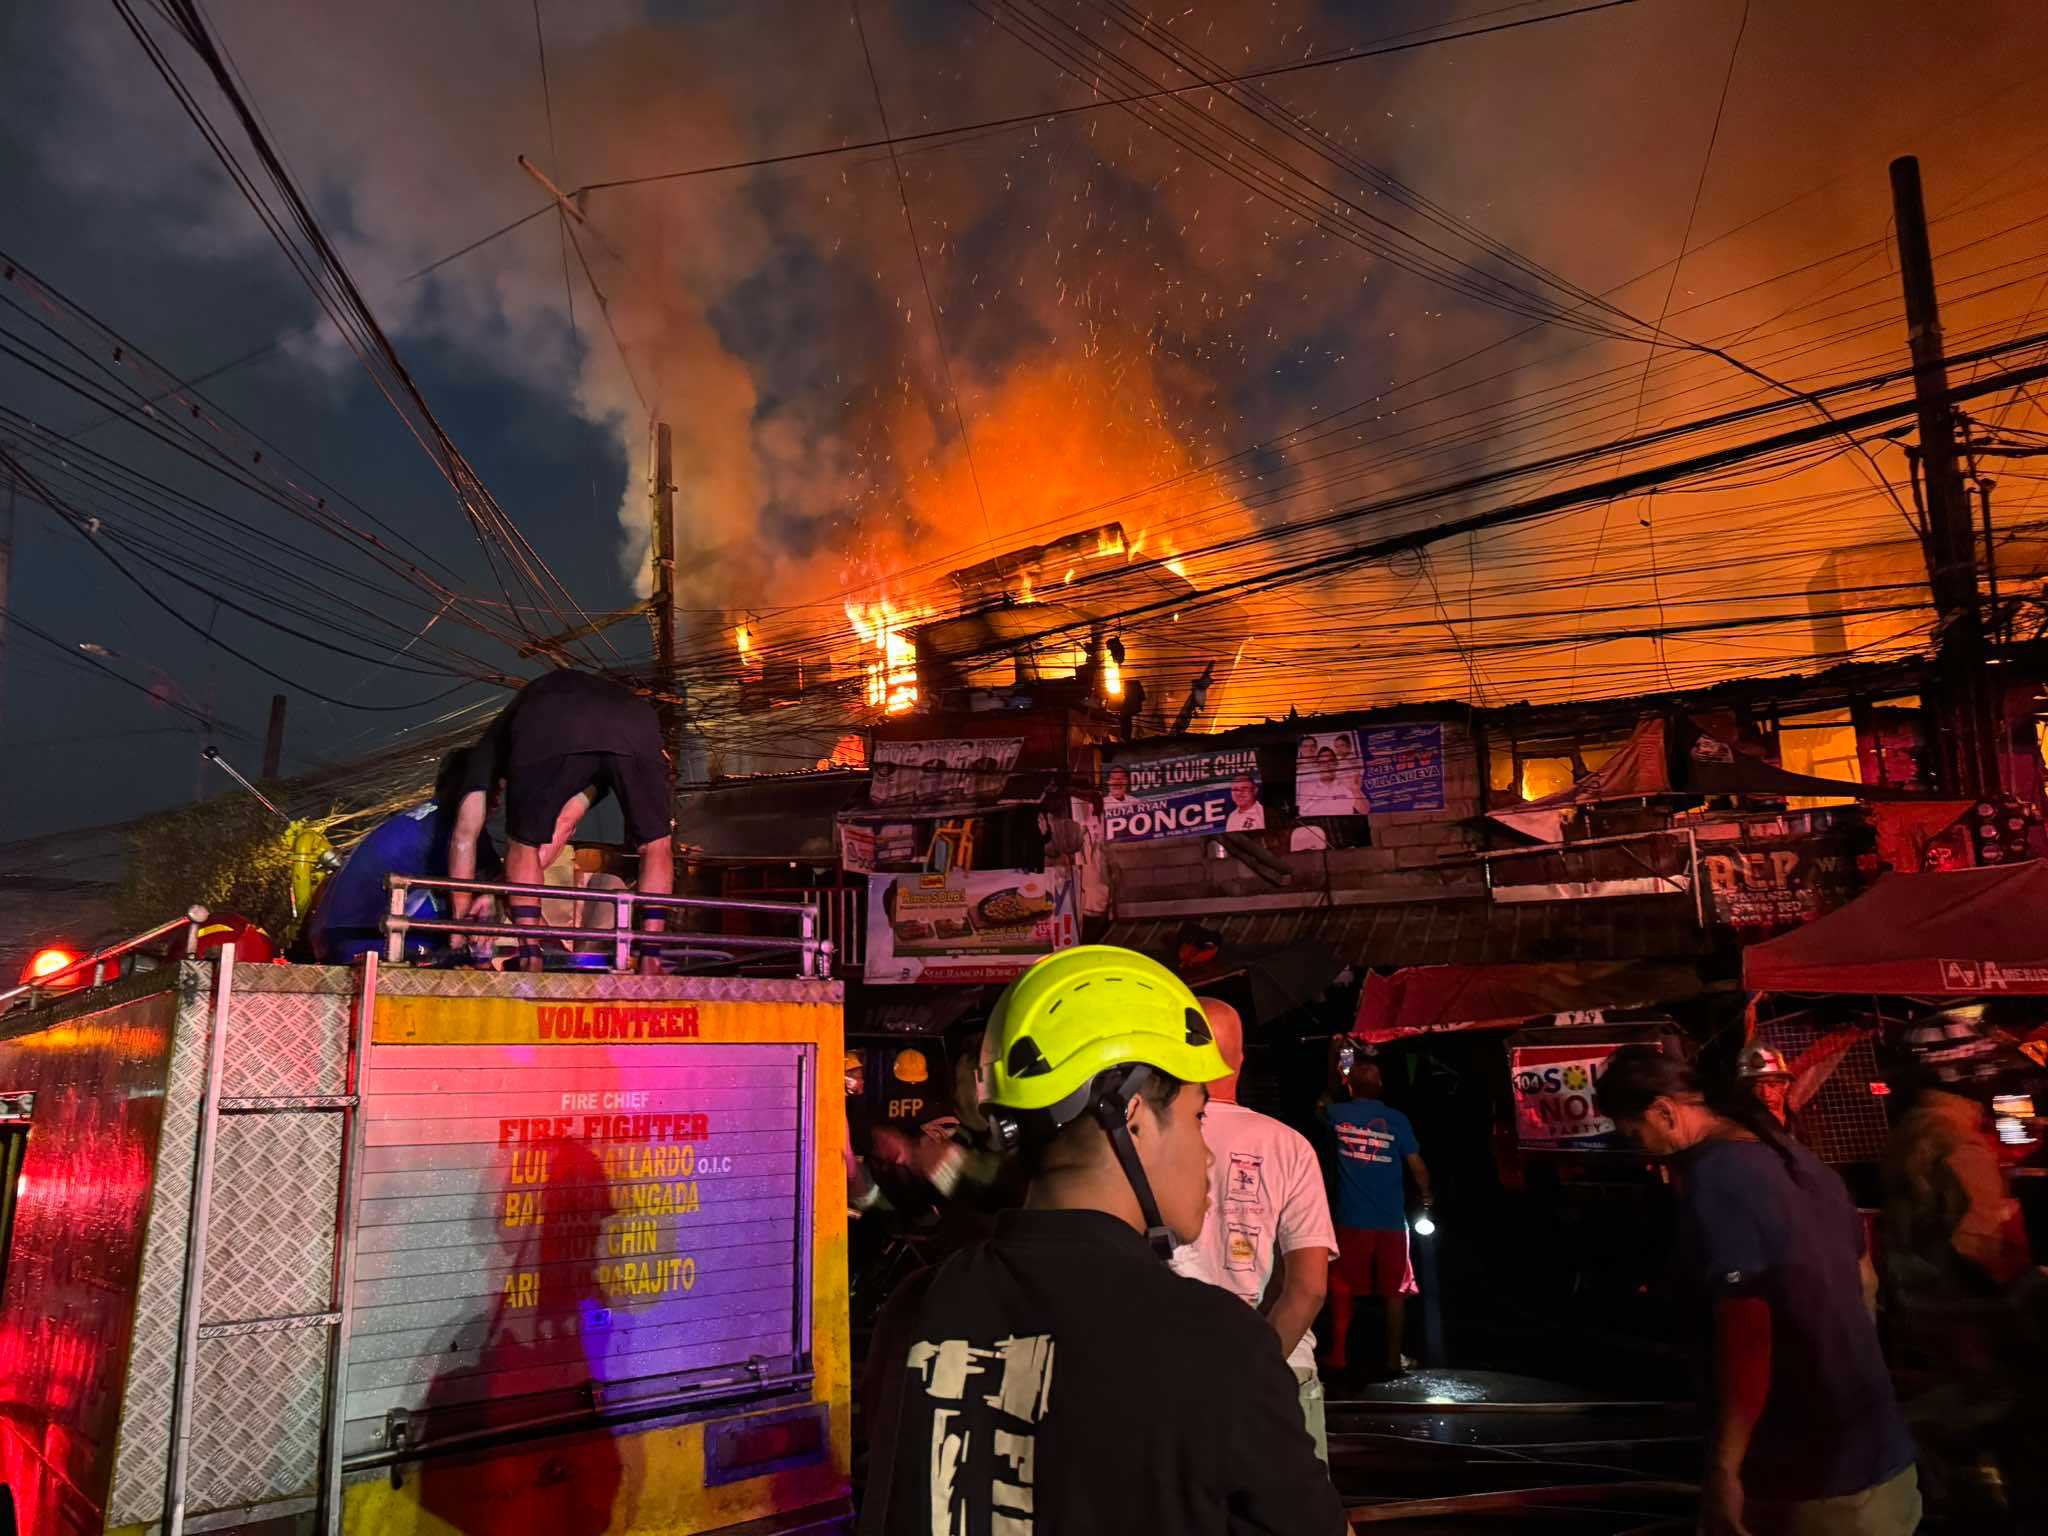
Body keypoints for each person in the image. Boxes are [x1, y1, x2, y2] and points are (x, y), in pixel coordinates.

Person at [860, 946, 1348, 1535]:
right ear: (1134, 1117)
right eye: (1197, 1117)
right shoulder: (1217, 1342)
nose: (1209, 1154)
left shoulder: (912, 1312)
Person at [1596, 1045, 1919, 1536]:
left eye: (1635, 1132)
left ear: (1664, 1111)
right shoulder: (1796, 1159)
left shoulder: (1718, 1179)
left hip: (1808, 1475)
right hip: (1880, 1453)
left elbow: (1747, 1329)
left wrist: (1725, 1469)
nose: (1638, 1147)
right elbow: (1864, 1281)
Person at [1170, 997, 1339, 1463]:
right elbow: (1308, 1289)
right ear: (1241, 1058)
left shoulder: (1142, 1137)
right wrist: (1254, 1374)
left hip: (1171, 1375)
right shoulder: (1290, 1146)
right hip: (1279, 1371)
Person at [447, 669, 674, 971]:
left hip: (552, 718)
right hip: (636, 723)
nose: (500, 798)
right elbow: (563, 825)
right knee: (656, 844)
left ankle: (531, 956)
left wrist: (460, 926)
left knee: (522, 843)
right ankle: (651, 958)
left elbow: (464, 837)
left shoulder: (487, 751)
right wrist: (494, 891)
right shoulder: (604, 747)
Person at [310, 750, 499, 964]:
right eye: (489, 791)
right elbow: (479, 888)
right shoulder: (451, 828)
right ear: (467, 789)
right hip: (366, 938)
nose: (496, 802)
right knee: (467, 932)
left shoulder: (427, 816)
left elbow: (491, 872)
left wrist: (489, 894)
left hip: (335, 933)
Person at [1322, 1036, 1429, 1380]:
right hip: (1391, 1224)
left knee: (1342, 1286)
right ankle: (1392, 1361)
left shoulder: (1336, 1114)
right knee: (1395, 1291)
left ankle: (1339, 1355)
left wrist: (1341, 1058)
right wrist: (1427, 1197)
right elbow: (1417, 1166)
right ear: (1380, 1085)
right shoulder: (1396, 1119)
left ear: (1349, 1085)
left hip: (1352, 1221)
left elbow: (1322, 1101)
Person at [1739, 1045, 1796, 1129]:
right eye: (1758, 1086)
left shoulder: (1802, 1131)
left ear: (1785, 1085)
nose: (1765, 1093)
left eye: (1772, 1085)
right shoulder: (1740, 1130)